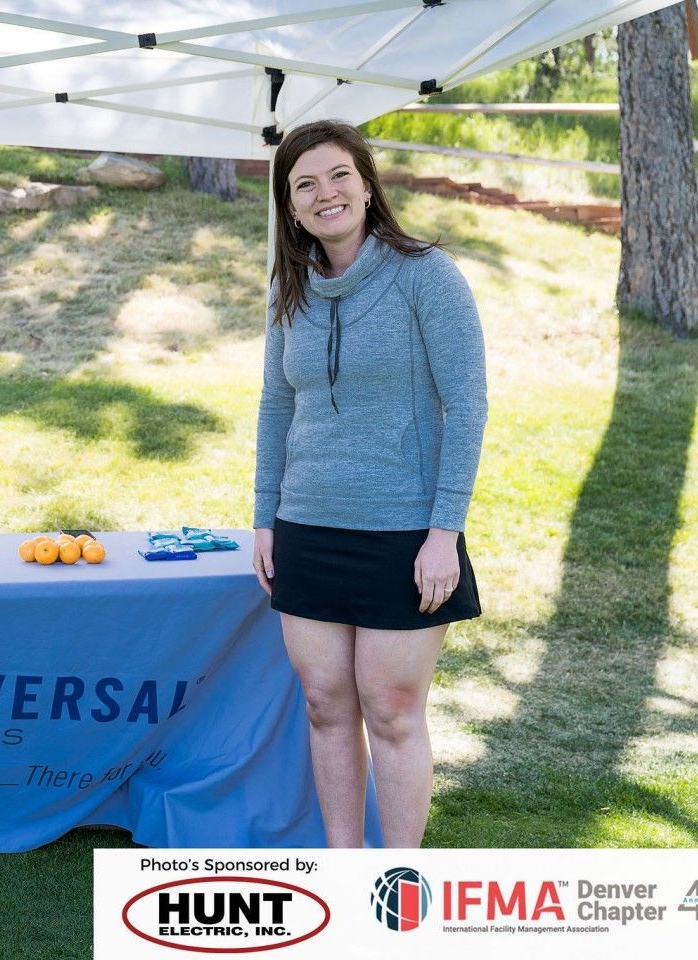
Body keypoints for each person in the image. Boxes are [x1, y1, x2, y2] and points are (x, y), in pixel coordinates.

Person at [251, 120, 487, 848]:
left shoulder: (425, 276)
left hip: (403, 534)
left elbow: (467, 402)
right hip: (307, 528)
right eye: (305, 184)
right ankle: (345, 875)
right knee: (325, 705)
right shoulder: (289, 289)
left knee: (390, 711)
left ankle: (397, 884)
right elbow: (275, 405)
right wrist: (266, 518)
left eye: (338, 175)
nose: (326, 194)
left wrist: (443, 532)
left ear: (366, 182)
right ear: (290, 207)